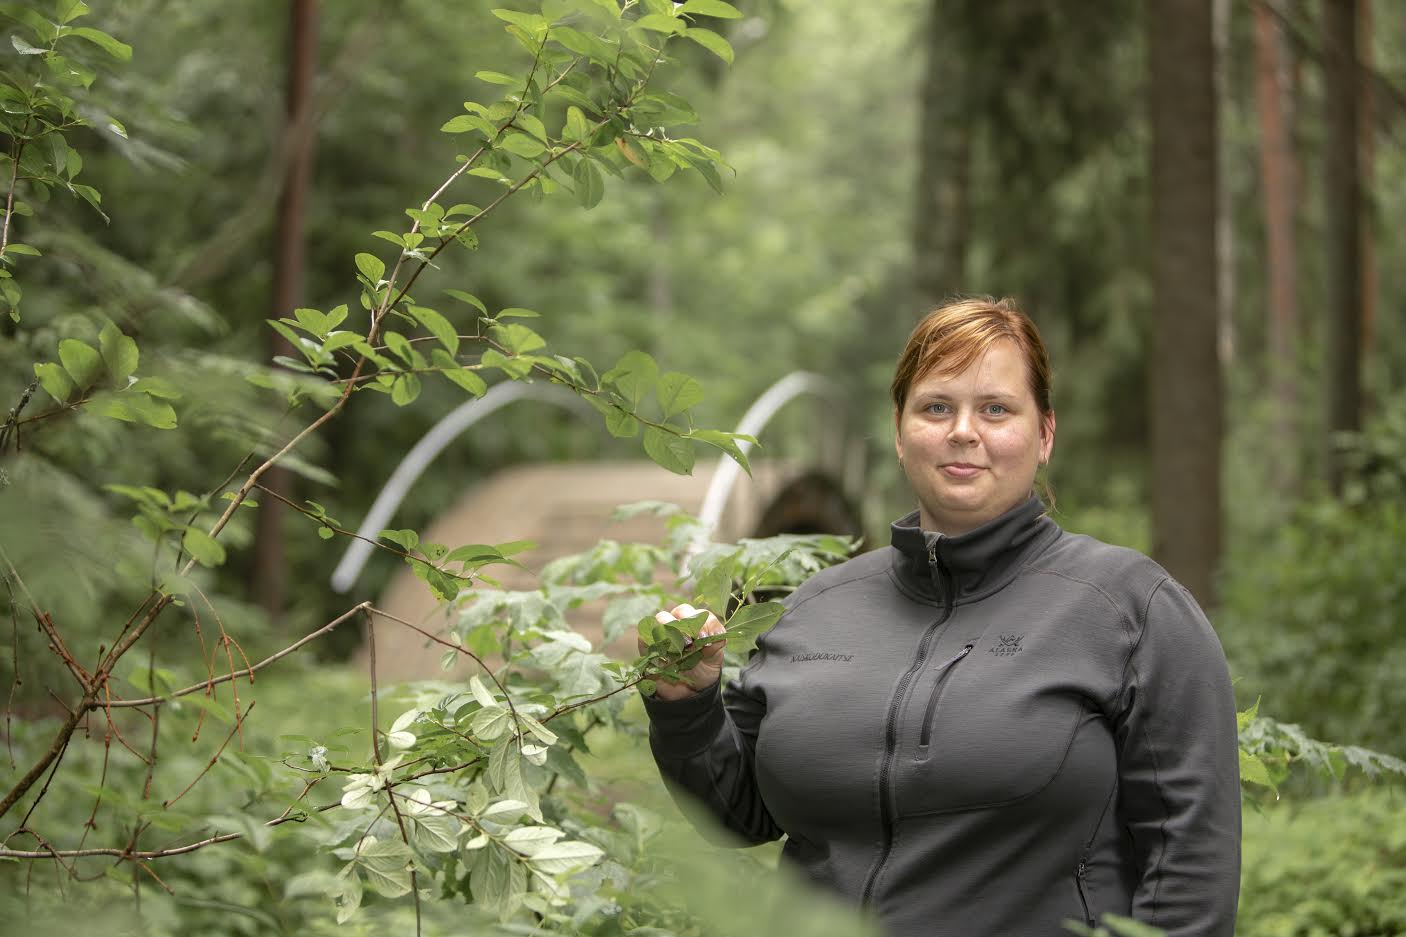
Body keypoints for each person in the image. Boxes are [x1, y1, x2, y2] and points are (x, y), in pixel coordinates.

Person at [641, 297, 1241, 937]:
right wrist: (689, 707)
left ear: (1044, 436)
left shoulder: (1130, 608)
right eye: (936, 407)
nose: (963, 430)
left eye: (996, 409)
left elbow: (1189, 867)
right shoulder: (817, 607)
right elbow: (742, 812)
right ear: (899, 433)